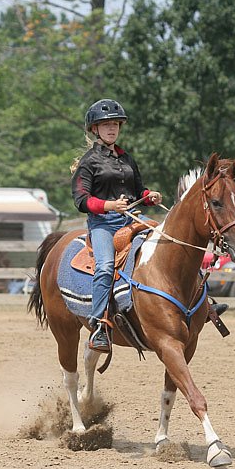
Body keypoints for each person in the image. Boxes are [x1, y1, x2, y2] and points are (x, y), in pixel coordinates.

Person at [71, 99, 162, 352]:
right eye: (106, 125)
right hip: (103, 225)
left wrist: (149, 195)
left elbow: (137, 190)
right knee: (105, 266)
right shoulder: (88, 162)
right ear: (95, 129)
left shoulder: (126, 158)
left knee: (166, 244)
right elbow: (81, 200)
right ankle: (100, 324)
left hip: (132, 220)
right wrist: (110, 206)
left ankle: (203, 304)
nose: (112, 129)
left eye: (115, 124)